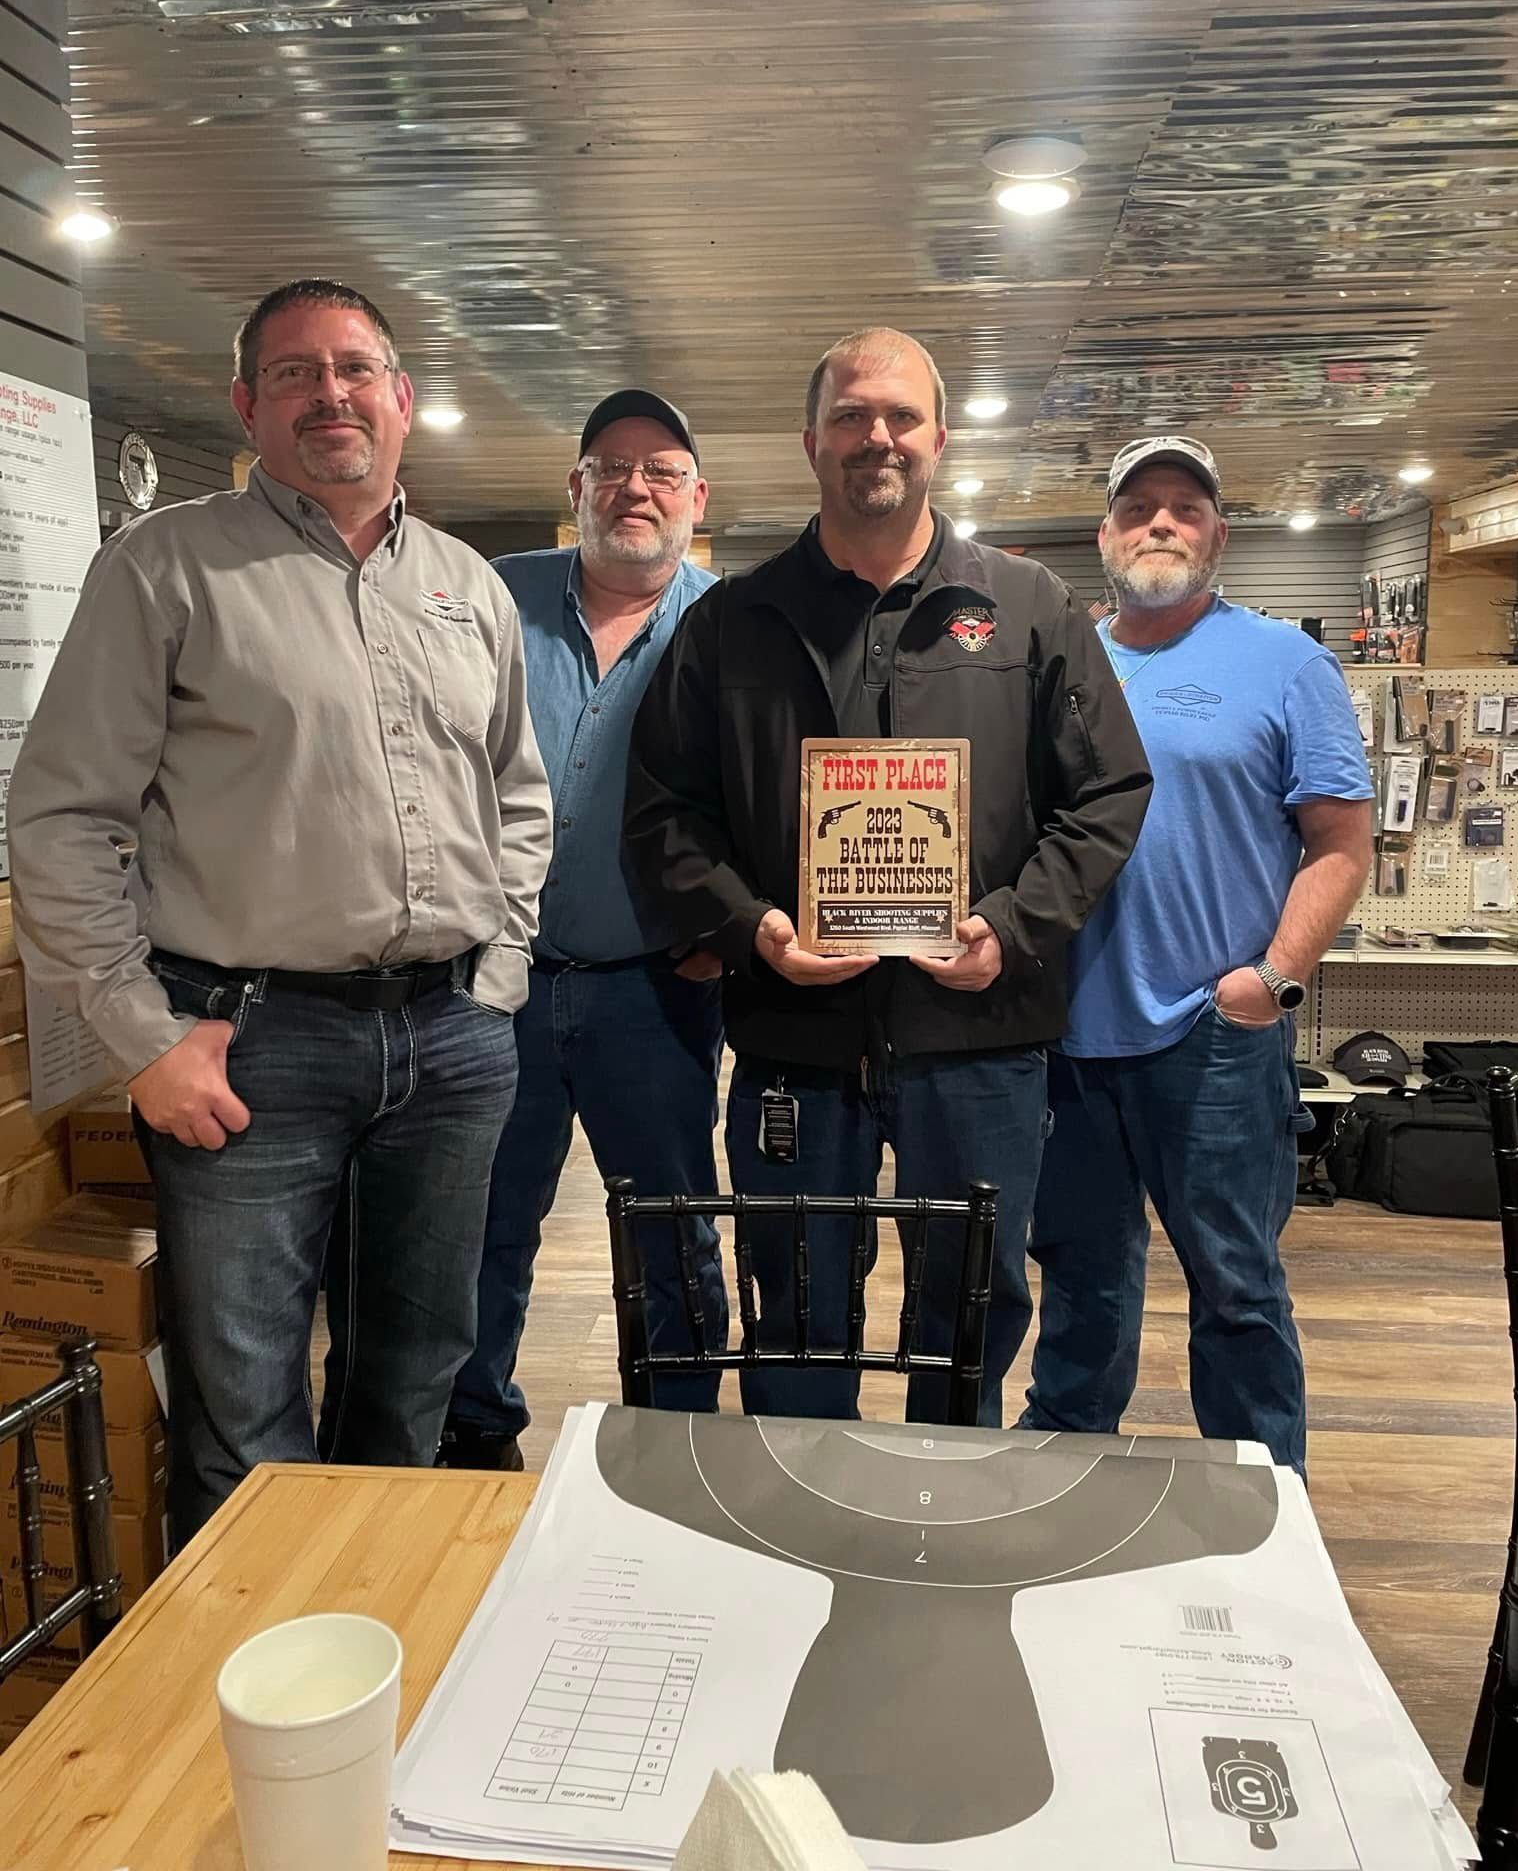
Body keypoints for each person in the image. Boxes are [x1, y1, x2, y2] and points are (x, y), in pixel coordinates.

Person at [7, 278, 553, 1546]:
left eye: (355, 368)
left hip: (452, 1037)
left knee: (413, 1376)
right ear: (248, 405)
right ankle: (253, 1654)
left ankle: (376, 1625)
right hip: (245, 1047)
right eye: (295, 372)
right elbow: (62, 818)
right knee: (243, 1413)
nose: (330, 393)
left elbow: (518, 793)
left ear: (401, 398)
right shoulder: (165, 566)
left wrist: (503, 966)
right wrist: (142, 1037)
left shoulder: (466, 585)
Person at [626, 327, 1152, 1423]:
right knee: (793, 1303)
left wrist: (1011, 926)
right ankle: (799, 1497)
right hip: (793, 1037)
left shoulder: (1029, 607)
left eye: (902, 416)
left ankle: (943, 1501)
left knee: (971, 1311)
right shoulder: (733, 622)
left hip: (980, 1037)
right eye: (854, 415)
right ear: (811, 439)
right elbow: (664, 813)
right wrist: (754, 928)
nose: (879, 436)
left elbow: (1109, 791)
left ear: (940, 439)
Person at [1020, 434, 1374, 1474]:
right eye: (1139, 508)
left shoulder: (1286, 664)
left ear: (1219, 535)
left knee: (1236, 1285)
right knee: (1080, 1278)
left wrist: (1271, 980)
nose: (1161, 524)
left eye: (1184, 507)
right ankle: (1066, 1479)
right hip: (1068, 1036)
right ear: (1106, 535)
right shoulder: (1062, 662)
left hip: (1213, 1036)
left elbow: (1342, 843)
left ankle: (1266, 1502)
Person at [440, 390, 727, 1469]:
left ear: (697, 496)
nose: (634, 488)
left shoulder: (731, 623)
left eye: (661, 471)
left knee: (671, 1224)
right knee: (485, 1218)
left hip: (655, 990)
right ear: (577, 488)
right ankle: (473, 1424)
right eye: (611, 467)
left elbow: (778, 785)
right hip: (492, 981)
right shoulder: (491, 594)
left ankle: (676, 1435)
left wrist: (731, 924)